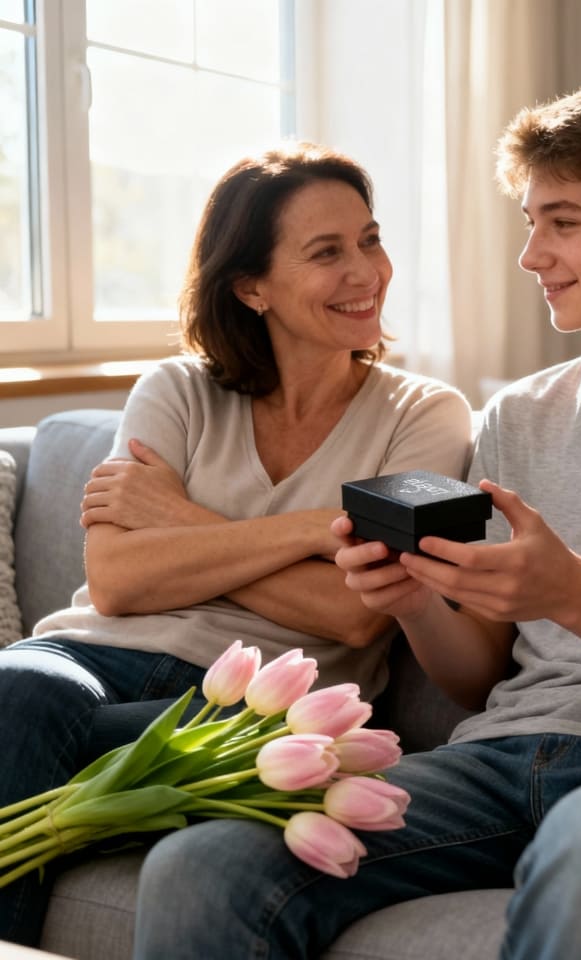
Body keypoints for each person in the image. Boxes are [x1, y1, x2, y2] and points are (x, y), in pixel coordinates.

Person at [132, 77, 581, 959]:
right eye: (530, 222)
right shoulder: (517, 416)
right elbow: (480, 680)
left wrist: (574, 591)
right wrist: (411, 601)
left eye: (561, 222)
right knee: (209, 858)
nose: (530, 255)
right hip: (500, 757)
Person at [0, 142, 472, 946]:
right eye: (327, 252)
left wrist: (182, 521)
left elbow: (354, 615)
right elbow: (114, 580)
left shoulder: (424, 416)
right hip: (85, 663)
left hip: (253, 704)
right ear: (251, 286)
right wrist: (307, 532)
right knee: (18, 688)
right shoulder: (177, 390)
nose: (367, 271)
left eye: (370, 238)